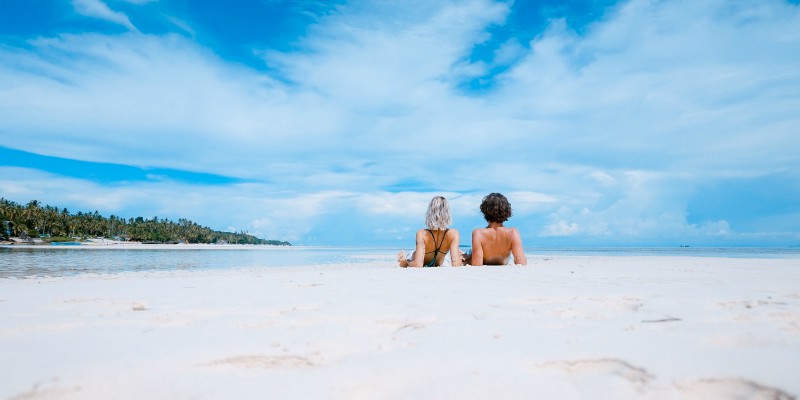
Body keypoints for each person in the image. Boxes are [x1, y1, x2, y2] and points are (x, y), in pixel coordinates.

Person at [397, 196, 463, 268]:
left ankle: (402, 259)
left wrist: (406, 262)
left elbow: (418, 265)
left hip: (417, 258)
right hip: (439, 262)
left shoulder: (422, 234)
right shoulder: (454, 234)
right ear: (447, 213)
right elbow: (456, 265)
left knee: (409, 257)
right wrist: (460, 258)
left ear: (430, 213)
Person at [469, 193, 527, 266]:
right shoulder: (512, 232)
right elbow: (521, 262)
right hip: (503, 263)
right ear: (506, 211)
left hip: (485, 262)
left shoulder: (478, 233)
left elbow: (477, 264)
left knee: (468, 255)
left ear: (484, 211)